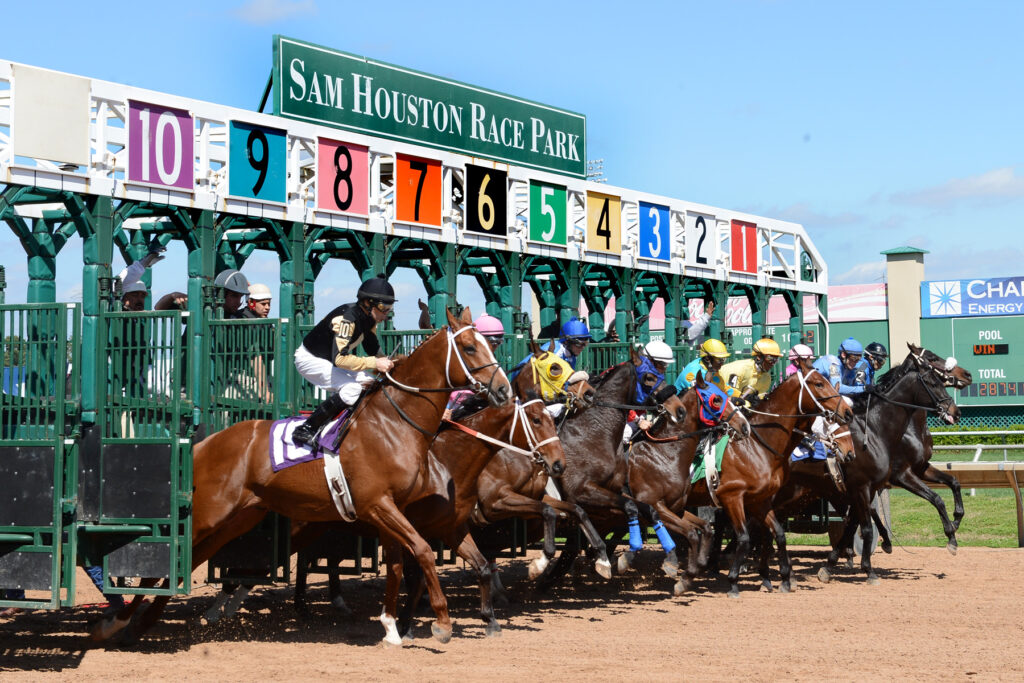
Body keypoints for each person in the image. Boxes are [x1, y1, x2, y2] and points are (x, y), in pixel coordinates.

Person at [291, 276, 396, 447]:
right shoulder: (347, 319)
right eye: (384, 308)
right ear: (368, 303)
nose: (386, 314)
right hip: (309, 359)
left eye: (389, 308)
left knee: (370, 382)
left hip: (328, 360)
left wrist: (388, 361)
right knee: (352, 389)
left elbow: (372, 346)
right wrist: (375, 363)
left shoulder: (369, 318)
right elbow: (340, 359)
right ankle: (307, 428)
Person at [443, 314, 505, 419]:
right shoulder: (457, 359)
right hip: (452, 408)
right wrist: (443, 411)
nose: (494, 346)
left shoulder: (492, 363)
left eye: (498, 343)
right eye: (491, 342)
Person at [621, 340, 675, 444]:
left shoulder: (651, 376)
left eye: (666, 365)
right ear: (650, 361)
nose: (664, 369)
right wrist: (638, 421)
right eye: (662, 364)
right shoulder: (629, 373)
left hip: (636, 415)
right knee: (626, 433)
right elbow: (620, 403)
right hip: (622, 417)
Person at [509, 316, 591, 381]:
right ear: (566, 342)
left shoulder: (571, 355)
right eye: (579, 344)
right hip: (521, 380)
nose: (582, 347)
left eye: (585, 344)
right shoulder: (556, 353)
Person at [719, 337, 783, 402]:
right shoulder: (741, 369)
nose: (772, 363)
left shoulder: (767, 377)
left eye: (776, 359)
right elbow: (729, 392)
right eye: (770, 358)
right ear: (759, 357)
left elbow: (760, 398)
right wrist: (746, 399)